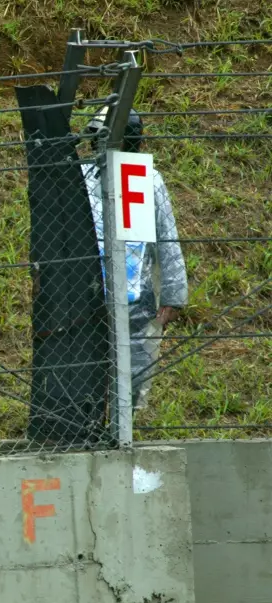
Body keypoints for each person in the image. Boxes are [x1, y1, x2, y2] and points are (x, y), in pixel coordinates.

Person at [82, 107, 189, 410]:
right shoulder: (81, 177)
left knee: (130, 376)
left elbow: (166, 240)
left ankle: (121, 432)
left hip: (131, 298)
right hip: (86, 293)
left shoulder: (146, 179)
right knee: (88, 375)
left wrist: (173, 295)